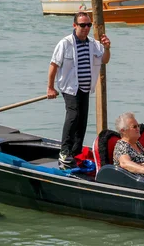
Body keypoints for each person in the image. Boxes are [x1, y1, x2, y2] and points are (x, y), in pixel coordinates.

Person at [47, 11, 111, 169]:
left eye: (89, 25)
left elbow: (105, 60)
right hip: (69, 88)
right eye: (82, 25)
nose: (86, 28)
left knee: (82, 120)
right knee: (73, 115)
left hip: (85, 88)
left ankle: (75, 152)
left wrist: (107, 48)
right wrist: (50, 87)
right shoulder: (65, 43)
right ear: (74, 26)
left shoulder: (94, 44)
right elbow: (53, 65)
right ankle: (64, 151)